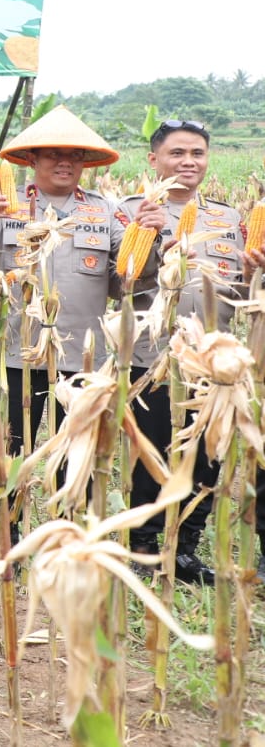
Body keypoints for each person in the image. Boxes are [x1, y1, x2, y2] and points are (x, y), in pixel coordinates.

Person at [0, 107, 164, 534]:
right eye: (52, 154)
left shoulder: (106, 213)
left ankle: (71, 529)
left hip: (82, 353)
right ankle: (3, 530)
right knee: (11, 443)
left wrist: (152, 242)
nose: (64, 162)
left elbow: (128, 283)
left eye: (74, 155)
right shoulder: (4, 206)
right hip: (17, 348)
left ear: (85, 164)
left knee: (78, 444)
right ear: (32, 160)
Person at [119, 120, 264, 584]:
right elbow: (120, 280)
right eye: (177, 153)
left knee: (206, 454)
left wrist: (256, 274)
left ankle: (184, 548)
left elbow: (238, 293)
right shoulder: (130, 212)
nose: (188, 162)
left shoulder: (225, 219)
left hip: (212, 357)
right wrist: (156, 241)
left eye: (197, 153)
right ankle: (143, 547)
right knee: (154, 451)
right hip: (154, 354)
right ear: (154, 159)